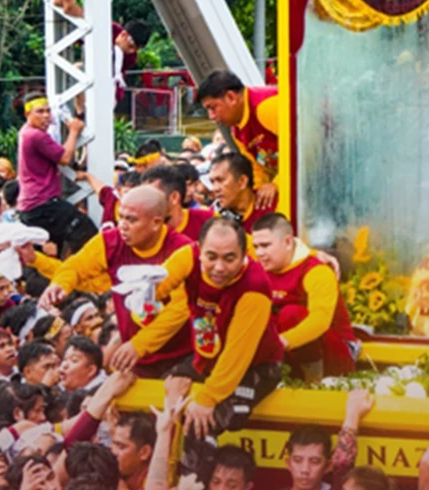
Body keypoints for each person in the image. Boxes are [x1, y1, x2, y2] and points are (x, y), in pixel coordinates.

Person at [124, 217, 285, 464]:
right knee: (170, 387)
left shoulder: (254, 287)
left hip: (255, 366)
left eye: (229, 258)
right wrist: (144, 295)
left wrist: (207, 399)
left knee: (201, 423)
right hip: (209, 356)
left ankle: (192, 486)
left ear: (244, 254)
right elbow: (160, 284)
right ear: (199, 250)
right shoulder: (187, 258)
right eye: (211, 257)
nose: (219, 267)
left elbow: (236, 356)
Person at [44, 186, 195, 377]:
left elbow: (181, 308)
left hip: (181, 356)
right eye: (120, 217)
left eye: (131, 220)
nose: (122, 225)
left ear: (156, 222)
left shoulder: (182, 250)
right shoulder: (111, 241)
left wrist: (140, 344)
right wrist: (60, 284)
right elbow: (76, 265)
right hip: (134, 356)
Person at [250, 213, 354, 379]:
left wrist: (280, 342)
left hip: (335, 353)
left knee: (291, 314)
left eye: (265, 245)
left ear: (287, 242)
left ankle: (313, 382)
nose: (259, 252)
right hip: (286, 350)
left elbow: (320, 320)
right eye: (256, 247)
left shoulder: (317, 271)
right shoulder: (262, 266)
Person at [15, 94, 94, 255]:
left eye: (48, 111)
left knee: (52, 253)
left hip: (32, 207)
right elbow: (64, 158)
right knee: (86, 232)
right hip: (43, 204)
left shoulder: (25, 132)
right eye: (40, 112)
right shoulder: (36, 135)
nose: (46, 116)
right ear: (27, 114)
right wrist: (73, 131)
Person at [195, 70, 283, 210]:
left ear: (231, 97)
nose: (211, 116)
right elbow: (257, 170)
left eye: (213, 108)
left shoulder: (266, 107)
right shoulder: (236, 132)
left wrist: (277, 184)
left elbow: (304, 148)